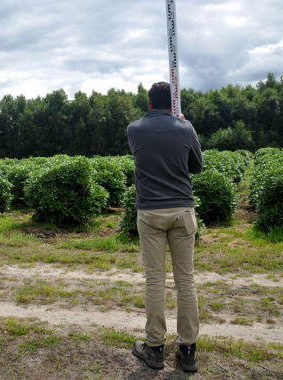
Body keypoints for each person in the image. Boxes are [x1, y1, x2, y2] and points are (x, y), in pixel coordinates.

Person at [127, 82, 203, 372]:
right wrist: (186, 126)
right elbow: (197, 166)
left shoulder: (134, 129)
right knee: (186, 281)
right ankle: (187, 350)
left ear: (149, 104)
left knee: (155, 280)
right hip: (182, 209)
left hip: (149, 211)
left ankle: (155, 348)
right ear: (173, 104)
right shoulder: (186, 128)